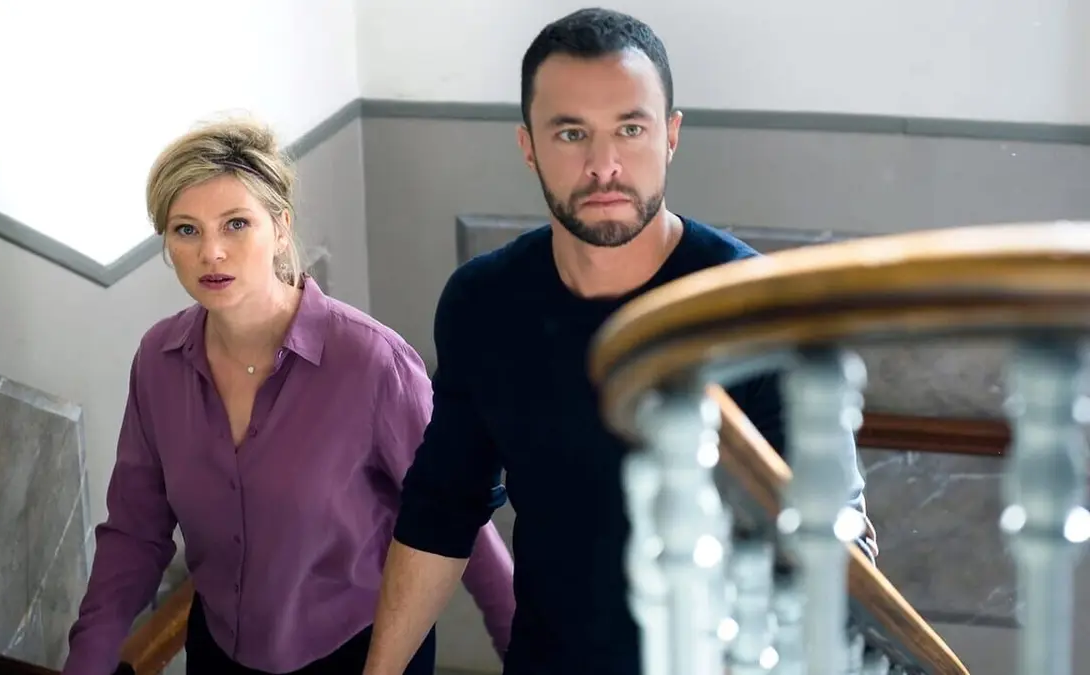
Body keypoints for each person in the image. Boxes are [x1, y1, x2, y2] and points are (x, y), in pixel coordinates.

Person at [361, 8, 877, 675]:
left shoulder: (758, 312)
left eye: (630, 129)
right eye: (571, 132)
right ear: (528, 146)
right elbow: (441, 508)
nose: (603, 165)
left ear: (671, 135)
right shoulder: (484, 303)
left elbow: (832, 545)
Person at [60, 118, 515, 675]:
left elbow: (459, 518)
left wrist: (527, 651)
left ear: (280, 228)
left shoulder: (374, 363)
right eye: (186, 230)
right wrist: (86, 663)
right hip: (218, 654)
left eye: (236, 224)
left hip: (363, 653)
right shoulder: (158, 360)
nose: (211, 252)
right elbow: (135, 531)